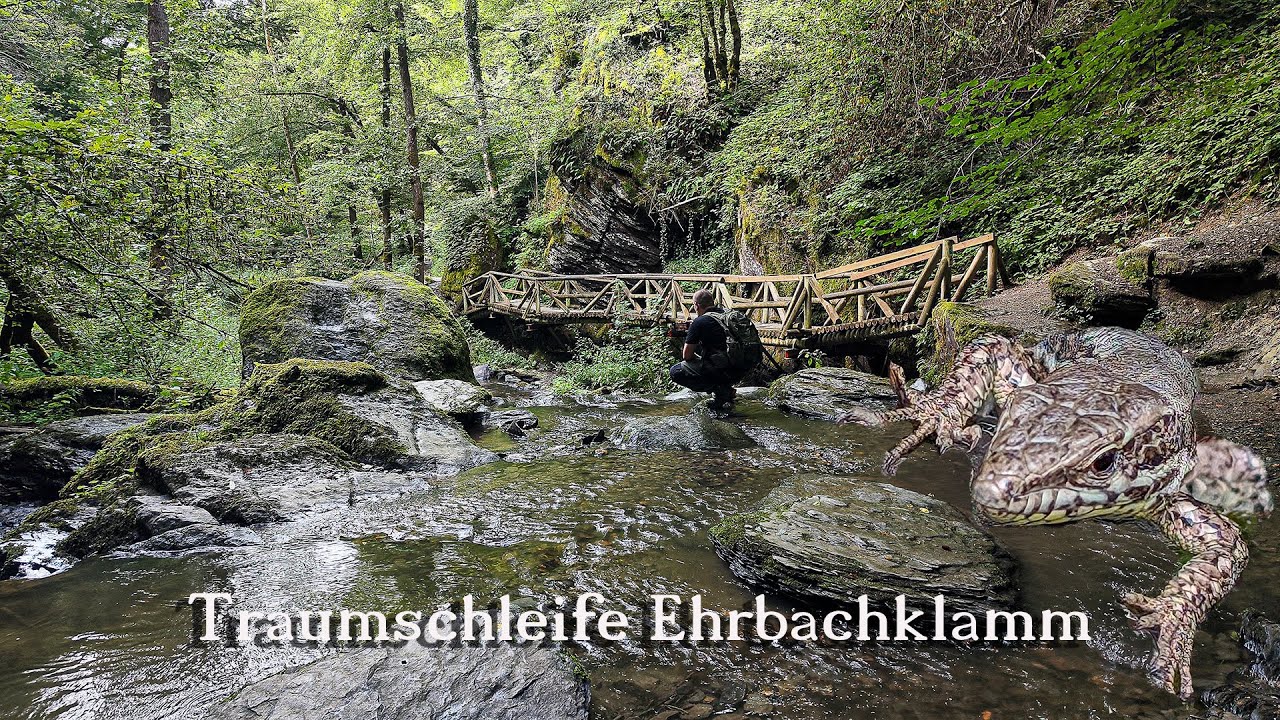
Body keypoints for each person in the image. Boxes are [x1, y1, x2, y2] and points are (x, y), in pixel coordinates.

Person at [669, 289, 743, 410]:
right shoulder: (728, 315)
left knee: (675, 371)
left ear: (697, 305)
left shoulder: (700, 322)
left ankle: (721, 390)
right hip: (743, 366)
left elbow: (686, 356)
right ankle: (725, 389)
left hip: (724, 370)